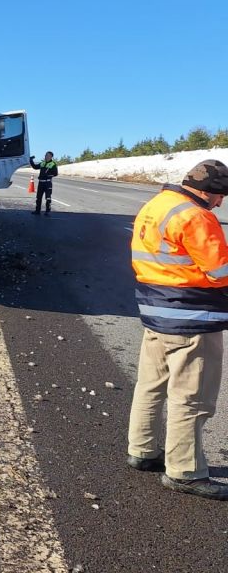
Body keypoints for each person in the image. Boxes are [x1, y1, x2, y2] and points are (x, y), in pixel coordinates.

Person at [126, 159, 228, 499]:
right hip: (192, 318)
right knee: (192, 397)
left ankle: (142, 450)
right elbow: (220, 272)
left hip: (156, 313)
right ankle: (185, 472)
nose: (220, 203)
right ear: (207, 191)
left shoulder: (156, 205)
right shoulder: (196, 216)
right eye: (220, 196)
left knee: (150, 385)